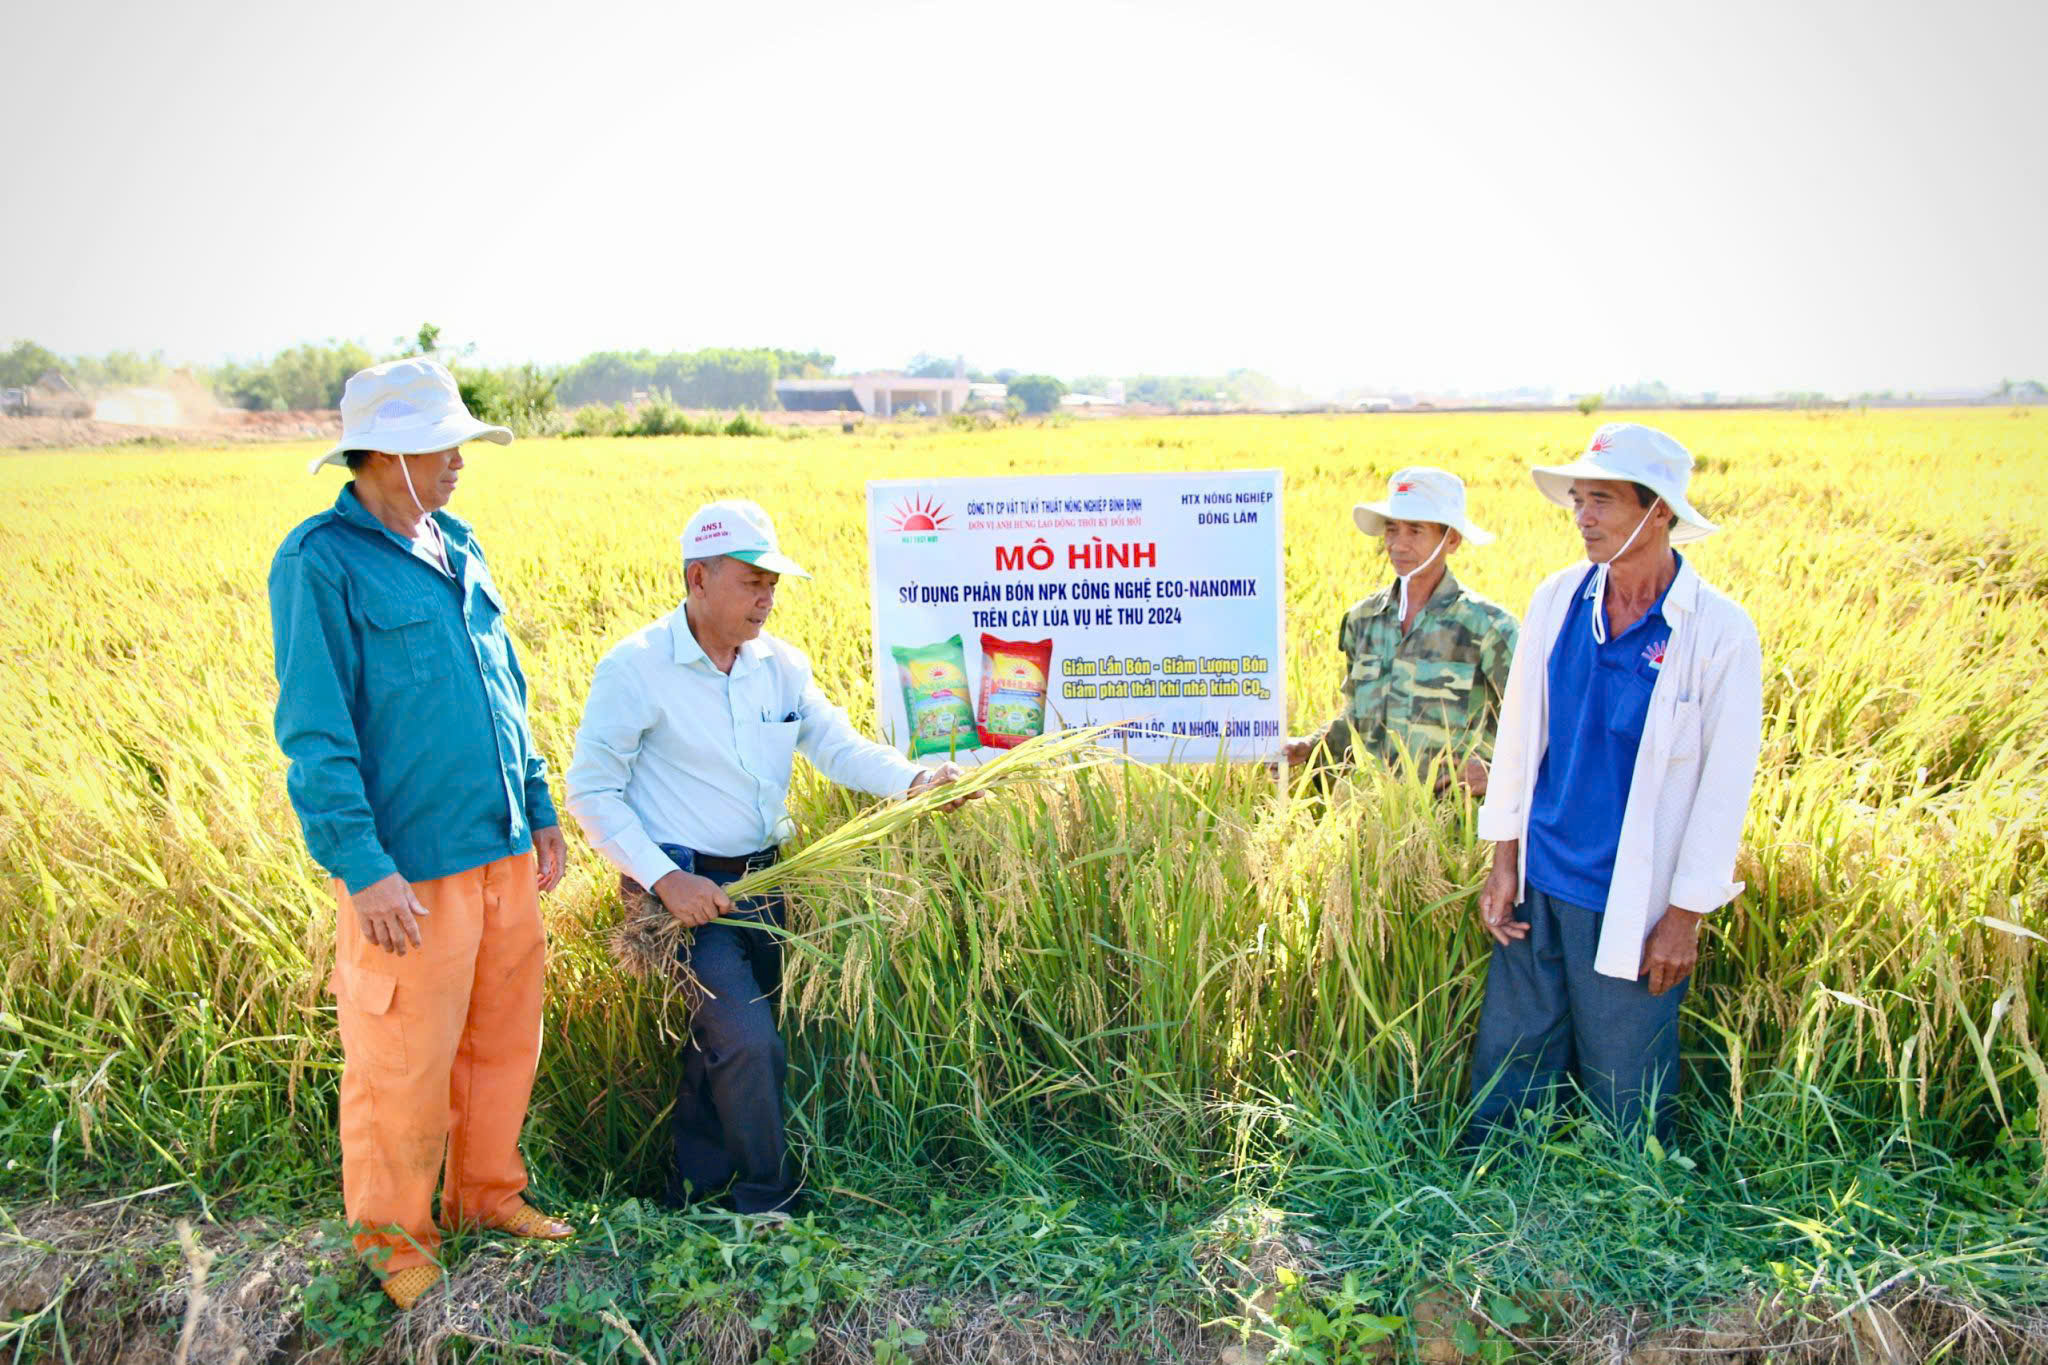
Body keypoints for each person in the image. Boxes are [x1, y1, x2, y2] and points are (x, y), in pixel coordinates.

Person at [565, 500, 969, 1217]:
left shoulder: (780, 665)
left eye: (773, 583)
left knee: (723, 1044)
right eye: (752, 581)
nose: (766, 599)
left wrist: (913, 782)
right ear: (698, 578)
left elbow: (835, 743)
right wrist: (664, 877)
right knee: (749, 1042)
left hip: (768, 879)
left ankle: (693, 1193)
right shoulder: (635, 668)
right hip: (682, 889)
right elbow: (592, 790)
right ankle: (766, 1201)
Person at [268, 357, 572, 1310]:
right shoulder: (322, 562)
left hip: (504, 849)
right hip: (409, 872)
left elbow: (502, 690)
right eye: (446, 445)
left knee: (500, 1039)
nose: (460, 462)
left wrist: (541, 802)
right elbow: (317, 733)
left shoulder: (459, 542)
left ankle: (488, 1194)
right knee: (401, 1060)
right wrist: (363, 868)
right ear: (390, 451)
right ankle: (393, 1238)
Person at [1468, 423, 1762, 1146]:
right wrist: (1503, 860)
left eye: (1602, 501)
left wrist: (1685, 916)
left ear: (1658, 509)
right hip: (1541, 879)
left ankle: (1629, 1211)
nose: (1583, 518)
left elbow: (1724, 787)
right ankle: (1490, 1194)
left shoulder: (1719, 632)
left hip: (1633, 895)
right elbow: (1519, 739)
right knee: (1508, 1080)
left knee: (1627, 1106)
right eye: (1577, 500)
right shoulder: (1558, 599)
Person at [1283, 467, 1518, 794]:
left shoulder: (1488, 627)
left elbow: (1538, 721)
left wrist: (1498, 774)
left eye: (1415, 531)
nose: (1398, 544)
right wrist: (1309, 747)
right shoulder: (1363, 620)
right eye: (1392, 530)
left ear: (1451, 540)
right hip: (1379, 822)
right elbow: (1360, 718)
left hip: (1460, 823)